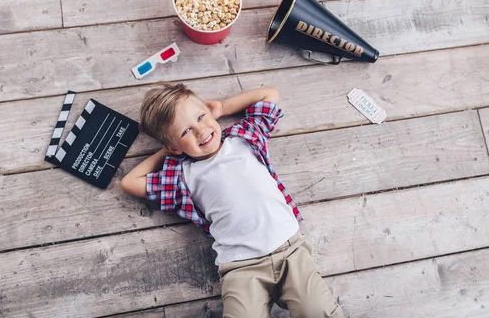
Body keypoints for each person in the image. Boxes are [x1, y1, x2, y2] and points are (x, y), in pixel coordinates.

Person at [121, 82, 343, 318]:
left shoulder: (244, 136)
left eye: (200, 116)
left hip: (290, 251)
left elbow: (270, 94)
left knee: (319, 311)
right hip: (241, 267)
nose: (200, 130)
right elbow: (130, 182)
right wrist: (168, 150)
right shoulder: (181, 177)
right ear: (174, 146)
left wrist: (223, 108)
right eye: (185, 131)